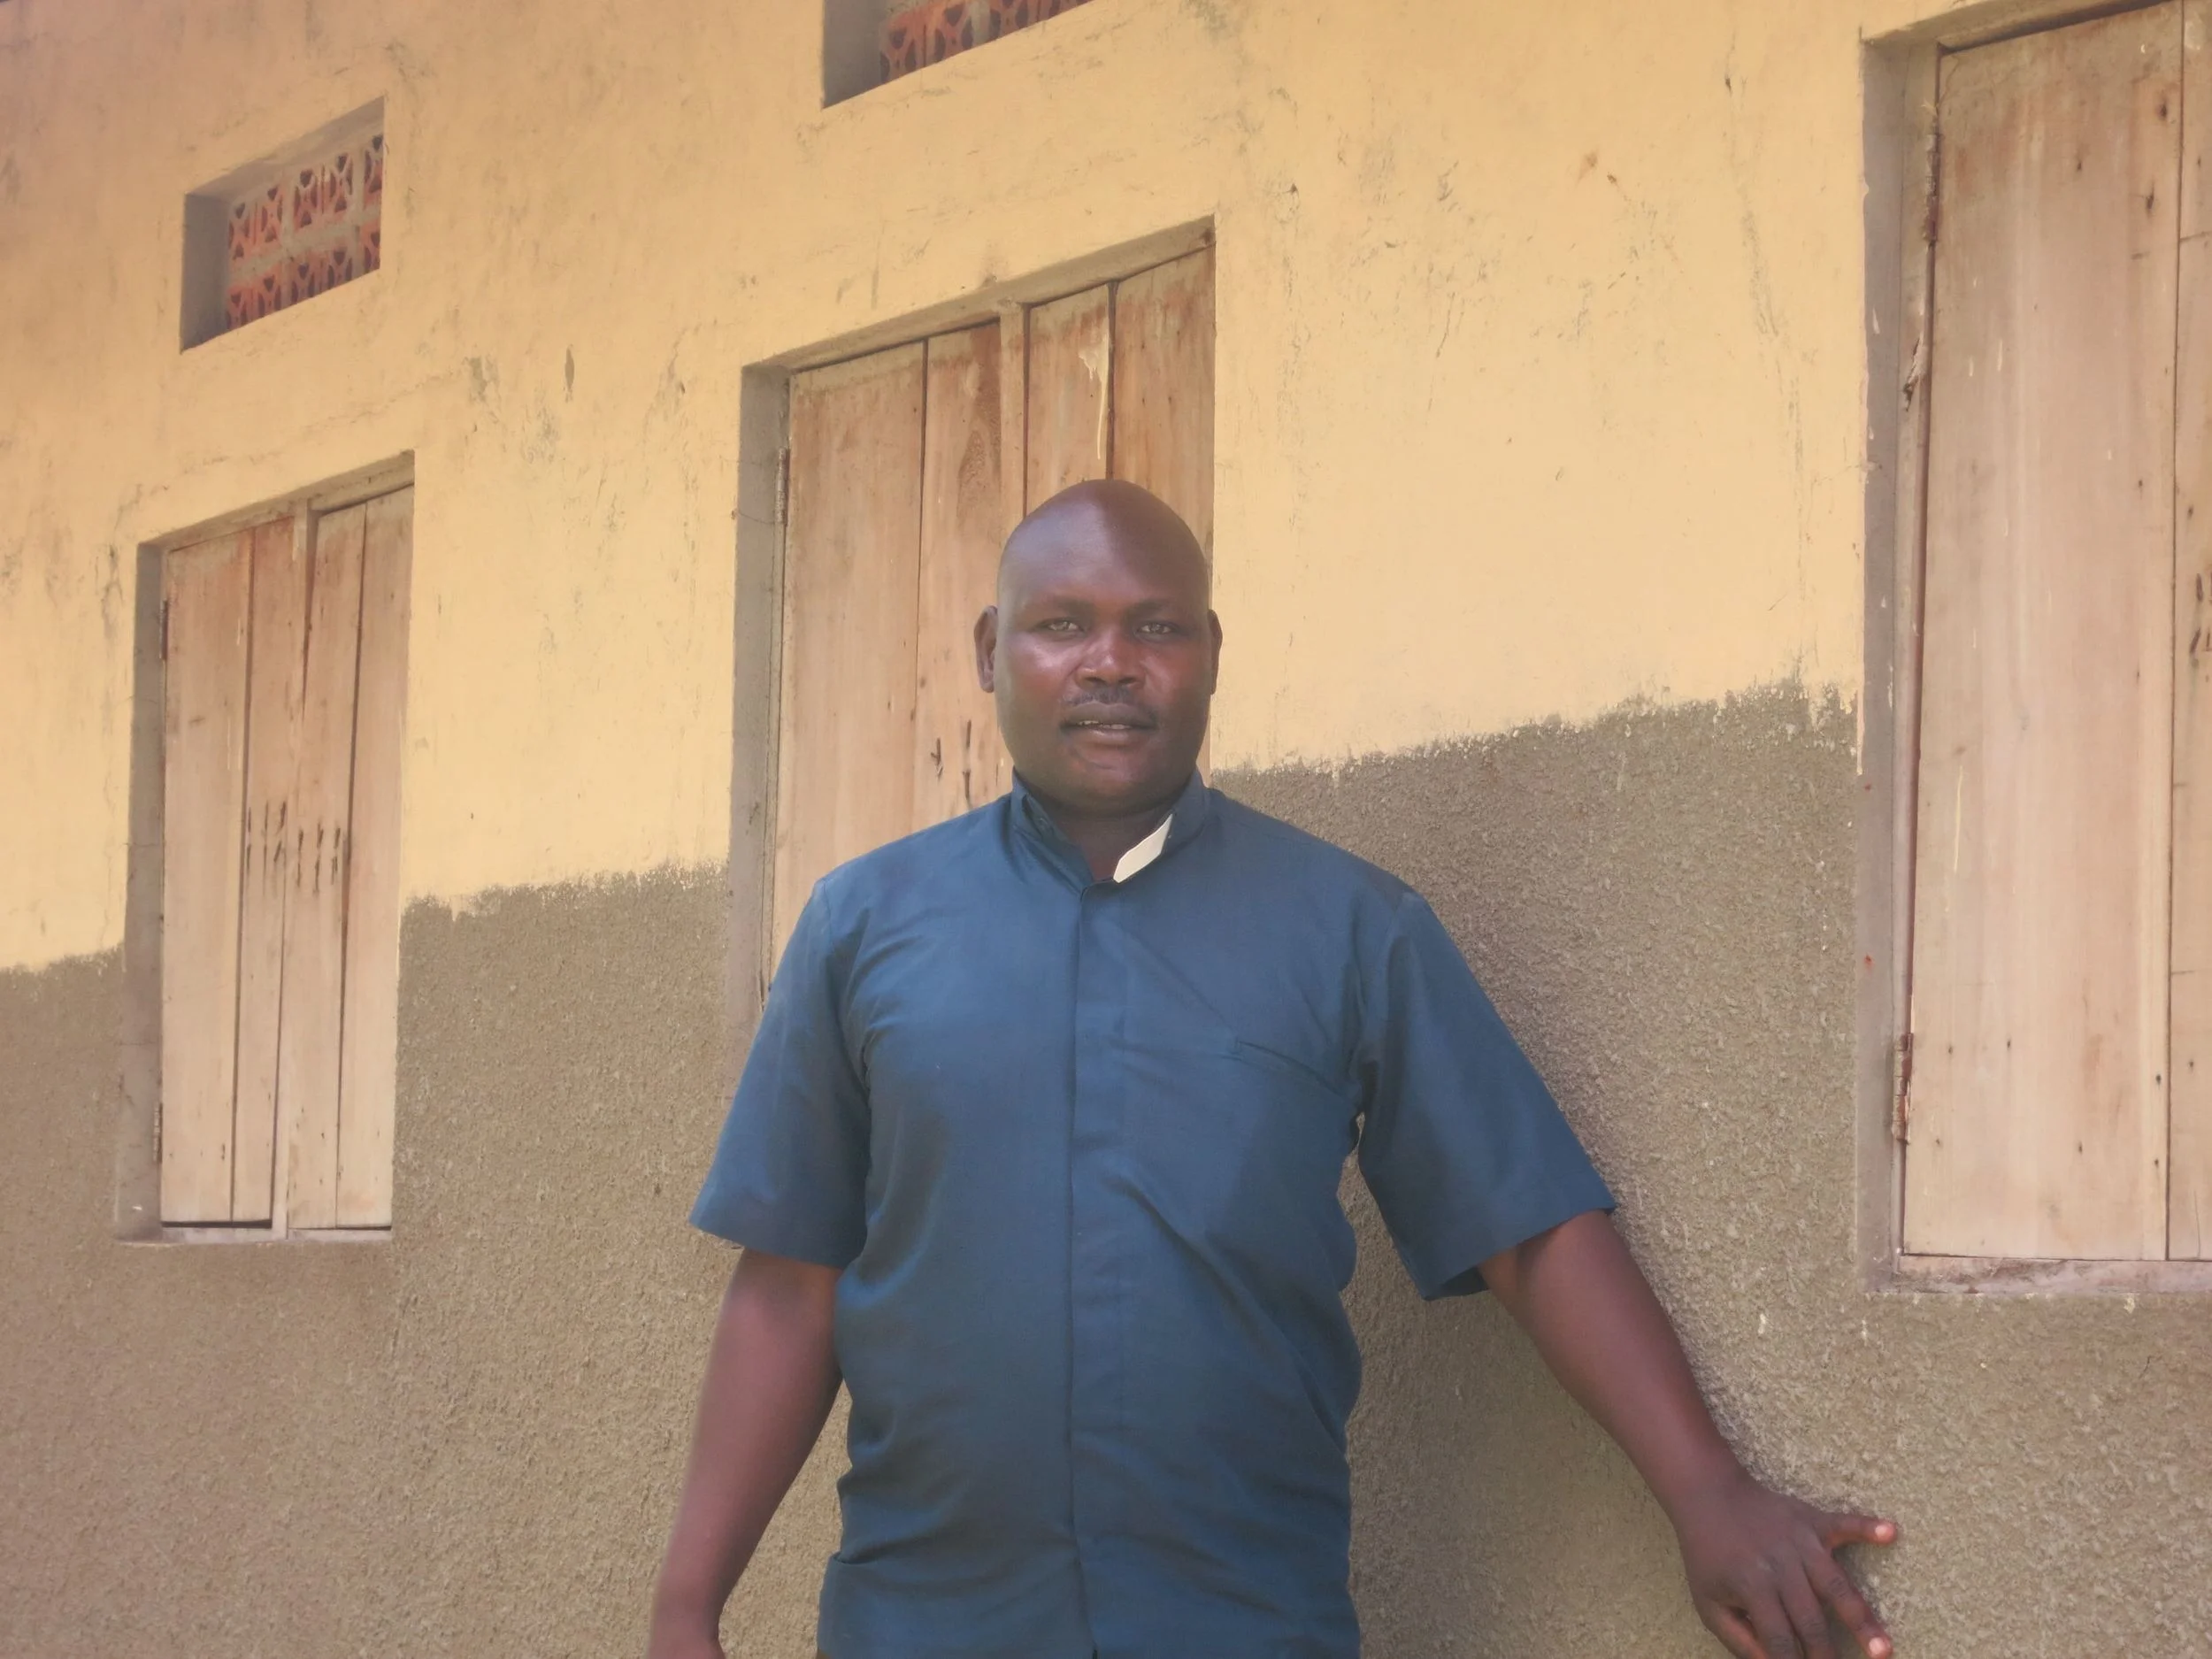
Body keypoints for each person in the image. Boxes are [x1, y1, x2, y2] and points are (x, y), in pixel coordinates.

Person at [647, 480, 1898, 1659]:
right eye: (1061, 624)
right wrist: (687, 1603)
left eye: (1158, 626)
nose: (1110, 661)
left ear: (1211, 655)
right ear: (990, 651)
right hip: (922, 1621)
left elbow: (1528, 1226)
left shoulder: (1348, 926)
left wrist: (1708, 1489)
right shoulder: (865, 924)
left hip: (1244, 1615)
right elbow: (789, 1285)